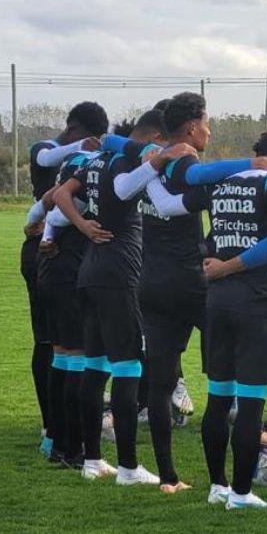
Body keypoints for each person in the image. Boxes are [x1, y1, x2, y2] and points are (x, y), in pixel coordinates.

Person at [130, 93, 267, 494]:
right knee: (236, 374)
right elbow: (199, 183)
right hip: (197, 282)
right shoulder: (186, 163)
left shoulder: (147, 162)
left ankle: (168, 477)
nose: (209, 129)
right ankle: (255, 437)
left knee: (162, 384)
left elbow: (121, 152)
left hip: (151, 282)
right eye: (206, 123)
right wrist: (252, 165)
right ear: (189, 128)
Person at [51, 113, 171, 485]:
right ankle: (129, 467)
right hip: (119, 273)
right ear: (153, 136)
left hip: (90, 272)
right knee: (127, 367)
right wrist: (160, 160)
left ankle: (92, 461)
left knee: (95, 366)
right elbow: (127, 187)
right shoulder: (128, 161)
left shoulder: (95, 160)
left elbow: (60, 195)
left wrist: (82, 224)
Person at [197, 131, 267, 510]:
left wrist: (215, 266)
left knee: (217, 399)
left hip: (218, 303)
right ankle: (241, 494)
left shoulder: (225, 183)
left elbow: (208, 239)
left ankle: (217, 486)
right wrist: (230, 267)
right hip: (258, 303)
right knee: (251, 404)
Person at [23, 102, 108, 456]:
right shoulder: (50, 150)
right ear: (77, 131)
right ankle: (65, 436)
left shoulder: (76, 166)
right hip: (59, 258)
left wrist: (39, 231)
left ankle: (55, 433)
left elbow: (44, 206)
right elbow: (46, 169)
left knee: (58, 347)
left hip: (48, 250)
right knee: (63, 347)